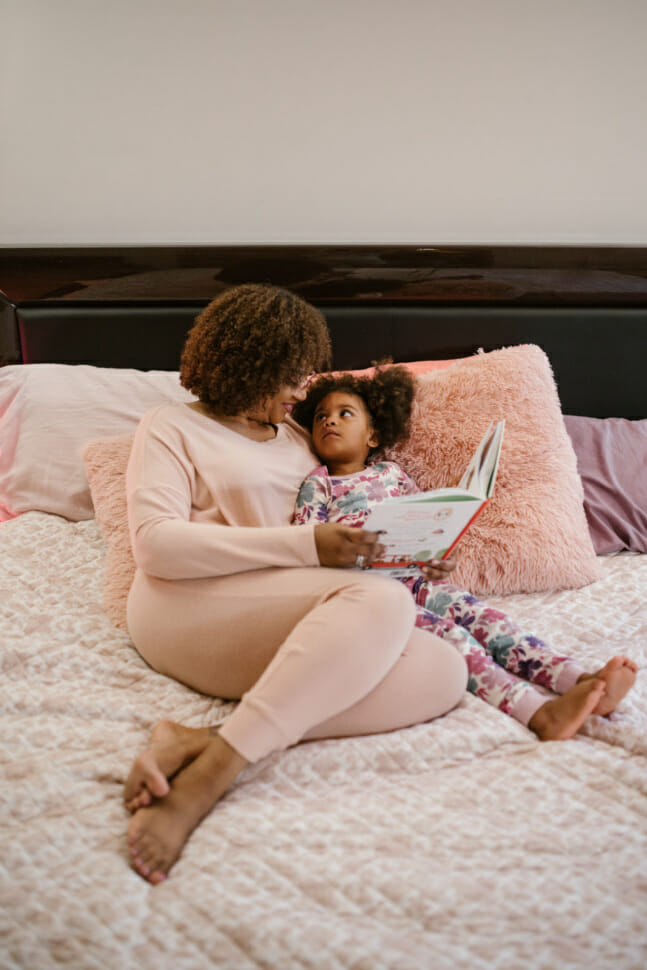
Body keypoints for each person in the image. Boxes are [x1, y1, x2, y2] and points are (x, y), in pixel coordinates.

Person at [123, 285, 468, 885]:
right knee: (380, 604)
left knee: (444, 670)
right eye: (292, 374)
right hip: (183, 603)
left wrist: (409, 556)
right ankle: (210, 779)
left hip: (278, 601)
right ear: (250, 366)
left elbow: (337, 525)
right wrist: (309, 548)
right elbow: (156, 544)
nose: (302, 391)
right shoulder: (169, 427)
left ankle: (197, 740)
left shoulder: (296, 438)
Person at [292, 365, 637, 742]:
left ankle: (578, 679)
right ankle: (537, 713)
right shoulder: (319, 483)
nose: (330, 421)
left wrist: (440, 558)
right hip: (374, 594)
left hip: (415, 579)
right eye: (321, 417)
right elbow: (305, 544)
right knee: (455, 640)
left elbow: (423, 525)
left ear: (373, 435)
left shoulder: (391, 474)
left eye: (345, 414)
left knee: (491, 621)